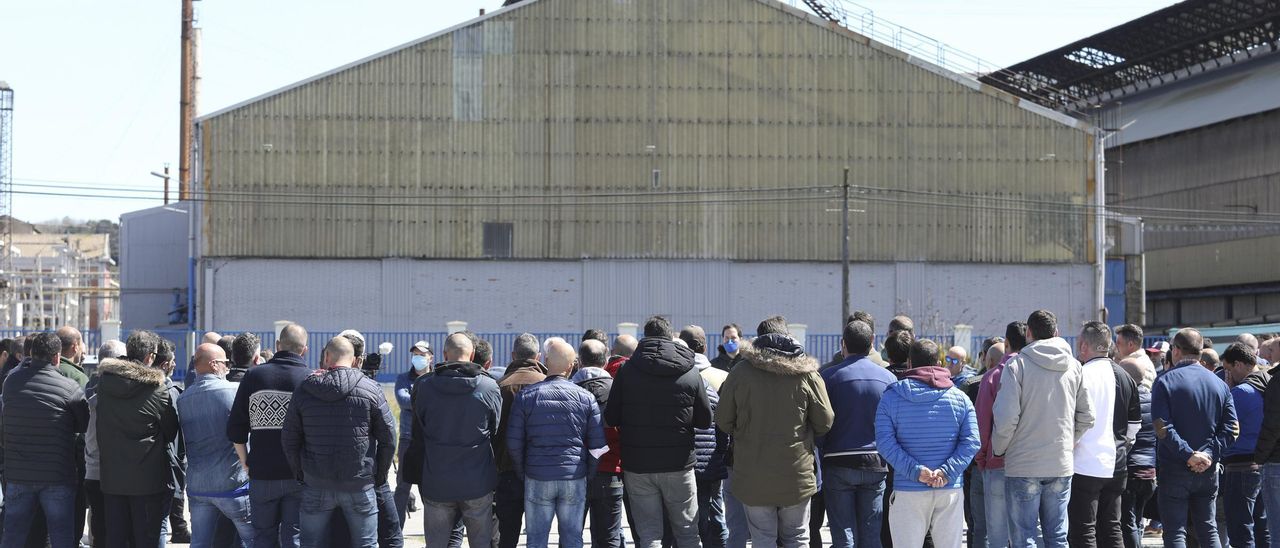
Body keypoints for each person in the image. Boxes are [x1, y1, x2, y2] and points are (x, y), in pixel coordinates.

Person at [716, 316, 833, 548]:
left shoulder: (741, 372)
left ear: (758, 339)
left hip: (753, 472)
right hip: (796, 473)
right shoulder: (806, 373)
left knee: (762, 537)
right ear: (788, 336)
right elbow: (825, 421)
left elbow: (723, 420)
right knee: (797, 537)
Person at [605, 316, 713, 548]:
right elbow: (705, 420)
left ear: (644, 337)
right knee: (687, 533)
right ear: (670, 336)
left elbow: (611, 417)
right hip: (679, 463)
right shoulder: (690, 371)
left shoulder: (627, 370)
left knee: (649, 534)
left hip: (638, 464)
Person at [991, 310, 1094, 548]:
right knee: (1057, 536)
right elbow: (1087, 416)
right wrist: (1068, 442)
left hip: (1023, 463)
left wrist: (999, 449)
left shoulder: (1017, 365)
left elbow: (1006, 418)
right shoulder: (1074, 367)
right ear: (1056, 333)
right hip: (1059, 462)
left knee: (1023, 537)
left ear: (1028, 333)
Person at [281, 336, 396, 548]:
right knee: (366, 544)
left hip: (316, 481)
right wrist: (378, 475)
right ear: (355, 361)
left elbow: (289, 438)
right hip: (359, 483)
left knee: (310, 544)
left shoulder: (305, 389)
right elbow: (389, 438)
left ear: (326, 356)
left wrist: (300, 472)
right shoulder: (370, 389)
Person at [874, 338, 980, 548]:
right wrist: (946, 472)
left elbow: (885, 443)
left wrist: (916, 471)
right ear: (938, 364)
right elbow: (972, 442)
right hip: (949, 488)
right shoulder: (960, 398)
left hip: (907, 489)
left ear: (910, 364)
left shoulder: (892, 396)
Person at [507, 338, 607, 548]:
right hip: (574, 475)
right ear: (572, 365)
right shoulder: (586, 398)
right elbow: (598, 446)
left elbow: (514, 443)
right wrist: (587, 473)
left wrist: (523, 471)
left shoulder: (527, 397)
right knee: (572, 538)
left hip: (537, 475)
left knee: (536, 539)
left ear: (544, 360)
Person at [0, 331, 90, 548]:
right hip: (57, 475)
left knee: (13, 534)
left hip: (18, 473)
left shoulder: (11, 382)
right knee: (61, 535)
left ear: (31, 354)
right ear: (57, 357)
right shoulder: (70, 388)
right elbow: (83, 425)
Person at [413, 333, 502, 548]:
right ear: (472, 355)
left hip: (437, 480)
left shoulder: (424, 386)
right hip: (478, 481)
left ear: (444, 355)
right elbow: (495, 430)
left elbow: (419, 430)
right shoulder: (489, 388)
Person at [1151, 328, 1238, 548]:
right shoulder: (1219, 384)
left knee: (1175, 531)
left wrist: (1188, 454)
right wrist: (1208, 454)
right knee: (1208, 528)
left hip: (1174, 468)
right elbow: (1232, 429)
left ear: (1176, 351)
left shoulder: (1164, 381)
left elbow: (1162, 428)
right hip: (1208, 470)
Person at [228, 323, 312, 548]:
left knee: (263, 537)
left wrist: (246, 461)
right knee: (294, 537)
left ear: (277, 346)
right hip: (299, 473)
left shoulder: (254, 376)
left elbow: (235, 428)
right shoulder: (310, 379)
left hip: (262, 473)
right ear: (304, 350)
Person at [96, 330, 181, 547]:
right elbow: (171, 431)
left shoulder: (105, 382)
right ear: (150, 357)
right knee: (145, 538)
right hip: (147, 480)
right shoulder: (157, 389)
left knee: (115, 538)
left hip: (112, 476)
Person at [820, 320, 897, 548]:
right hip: (876, 463)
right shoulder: (888, 379)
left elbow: (821, 422)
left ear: (843, 344)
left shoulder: (828, 377)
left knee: (843, 535)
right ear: (872, 343)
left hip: (837, 461)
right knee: (871, 535)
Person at [178, 343, 256, 548]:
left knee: (200, 543)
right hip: (233, 484)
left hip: (199, 486)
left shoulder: (183, 398)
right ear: (214, 364)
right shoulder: (234, 391)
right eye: (225, 363)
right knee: (253, 540)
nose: (228, 367)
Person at [1067, 321, 1134, 548]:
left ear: (1084, 346)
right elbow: (1134, 426)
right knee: (1112, 527)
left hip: (1084, 464)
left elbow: (1070, 419)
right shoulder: (1126, 376)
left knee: (1083, 529)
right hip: (1117, 463)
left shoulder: (1080, 374)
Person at [674, 326, 730, 548]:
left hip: (684, 463)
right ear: (705, 347)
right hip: (712, 462)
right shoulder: (722, 376)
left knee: (689, 519)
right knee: (716, 514)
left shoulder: (677, 380)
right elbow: (724, 425)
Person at [494, 333, 547, 548]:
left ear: (513, 355)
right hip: (542, 472)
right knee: (538, 536)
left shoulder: (499, 386)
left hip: (505, 470)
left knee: (507, 535)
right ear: (539, 357)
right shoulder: (547, 385)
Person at [573, 340, 626, 548]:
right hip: (611, 471)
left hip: (576, 473)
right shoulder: (618, 390)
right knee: (609, 537)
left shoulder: (568, 390)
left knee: (571, 534)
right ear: (605, 362)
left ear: (580, 362)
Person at [976, 321, 1023, 548]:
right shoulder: (1036, 374)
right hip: (1030, 462)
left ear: (1006, 343)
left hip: (997, 462)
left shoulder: (993, 377)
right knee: (1025, 532)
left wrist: (982, 459)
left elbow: (982, 425)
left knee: (996, 535)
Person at [1220, 343, 1269, 548]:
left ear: (1238, 364)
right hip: (1264, 464)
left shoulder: (1240, 392)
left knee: (1240, 529)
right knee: (1263, 527)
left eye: (1228, 369)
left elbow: (1223, 425)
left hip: (1240, 466)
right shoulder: (1269, 383)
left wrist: (1229, 391)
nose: (1226, 375)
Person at [1119, 337, 1156, 548]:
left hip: (1131, 470)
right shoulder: (1154, 399)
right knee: (1138, 521)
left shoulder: (1125, 400)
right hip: (1149, 471)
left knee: (1127, 522)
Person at [392, 340, 432, 524]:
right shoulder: (403, 378)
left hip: (430, 441)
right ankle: (395, 535)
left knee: (429, 492)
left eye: (422, 355)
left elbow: (413, 402)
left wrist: (416, 401)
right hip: (408, 439)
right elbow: (403, 400)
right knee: (402, 488)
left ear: (430, 357)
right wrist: (425, 401)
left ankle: (432, 537)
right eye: (415, 354)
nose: (418, 358)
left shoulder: (435, 378)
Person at [1114, 325, 1156, 408]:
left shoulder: (1138, 364)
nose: (1116, 346)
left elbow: (1142, 396)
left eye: (1118, 342)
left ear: (1130, 344)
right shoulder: (1141, 360)